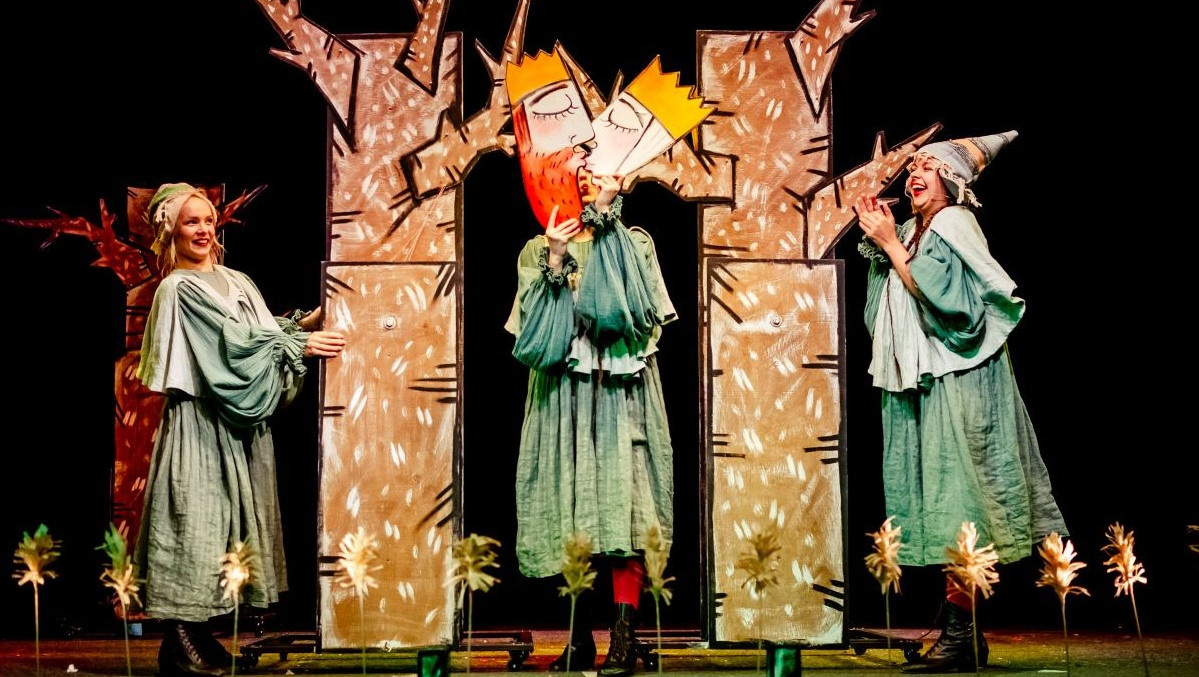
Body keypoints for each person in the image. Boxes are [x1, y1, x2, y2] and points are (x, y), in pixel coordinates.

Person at [503, 50, 709, 676]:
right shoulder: (536, 250)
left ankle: (624, 636)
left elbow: (622, 315)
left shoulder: (635, 244)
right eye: (580, 162)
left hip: (621, 399)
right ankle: (578, 638)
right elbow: (535, 341)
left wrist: (607, 226)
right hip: (562, 399)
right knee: (571, 512)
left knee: (625, 510)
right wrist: (555, 262)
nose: (590, 173)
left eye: (601, 165)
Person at [853, 131, 1068, 673]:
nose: (915, 173)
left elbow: (957, 310)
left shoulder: (953, 222)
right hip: (923, 379)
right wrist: (886, 238)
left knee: (958, 503)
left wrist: (891, 246)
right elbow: (889, 300)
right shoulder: (914, 231)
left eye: (928, 166)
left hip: (958, 378)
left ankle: (961, 634)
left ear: (950, 181)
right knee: (938, 501)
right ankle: (962, 632)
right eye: (913, 167)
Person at [133, 182, 346, 677]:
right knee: (197, 523)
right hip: (201, 423)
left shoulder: (238, 280)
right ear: (170, 230)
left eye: (208, 220)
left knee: (228, 527)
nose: (203, 230)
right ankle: (179, 641)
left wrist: (302, 326)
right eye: (191, 222)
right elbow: (231, 346)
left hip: (241, 429)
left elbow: (259, 334)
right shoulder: (178, 289)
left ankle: (197, 638)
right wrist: (297, 345)